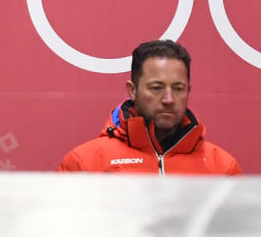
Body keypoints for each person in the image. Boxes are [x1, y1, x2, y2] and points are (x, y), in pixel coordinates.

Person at [59, 39, 242, 175]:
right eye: (156, 88)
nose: (169, 99)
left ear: (188, 91)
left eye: (178, 89)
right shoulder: (84, 164)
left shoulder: (222, 167)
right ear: (132, 90)